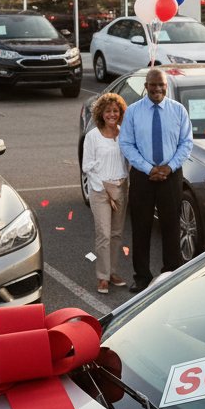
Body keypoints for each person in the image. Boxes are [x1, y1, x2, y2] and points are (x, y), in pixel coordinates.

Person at [119, 67, 193, 294]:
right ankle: (142, 277)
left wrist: (168, 167)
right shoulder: (133, 111)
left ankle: (170, 272)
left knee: (171, 225)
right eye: (153, 85)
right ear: (146, 86)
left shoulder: (178, 110)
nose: (157, 89)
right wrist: (149, 168)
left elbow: (186, 143)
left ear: (166, 86)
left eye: (161, 85)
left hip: (171, 175)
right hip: (143, 176)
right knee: (141, 227)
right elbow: (126, 144)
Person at [82, 92, 130, 293]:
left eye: (116, 111)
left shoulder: (124, 134)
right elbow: (87, 166)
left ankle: (112, 271)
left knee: (117, 233)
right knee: (104, 233)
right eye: (108, 111)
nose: (112, 114)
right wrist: (101, 187)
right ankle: (102, 277)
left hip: (120, 186)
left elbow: (129, 160)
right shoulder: (93, 136)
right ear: (101, 113)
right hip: (100, 189)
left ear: (120, 113)